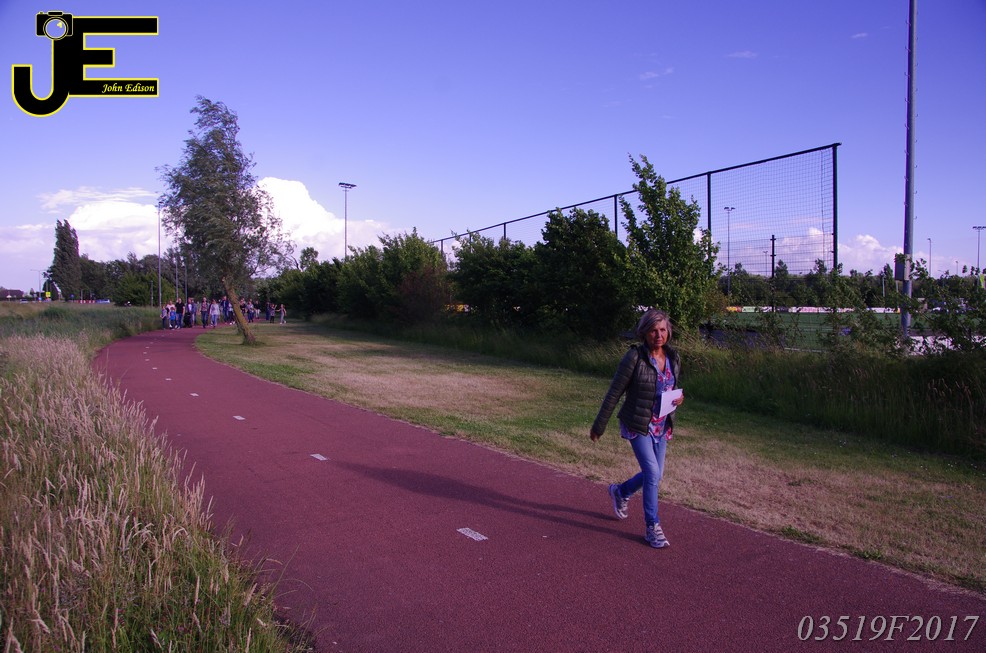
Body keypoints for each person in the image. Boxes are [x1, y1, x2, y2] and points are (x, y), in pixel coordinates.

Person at [590, 308, 684, 549]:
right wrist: (599, 425)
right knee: (652, 473)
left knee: (656, 474)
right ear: (644, 333)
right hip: (637, 423)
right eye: (653, 330)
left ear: (668, 331)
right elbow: (614, 392)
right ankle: (652, 527)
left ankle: (621, 491)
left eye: (662, 330)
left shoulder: (673, 357)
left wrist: (678, 399)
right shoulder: (634, 358)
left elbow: (670, 386)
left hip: (661, 424)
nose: (658, 335)